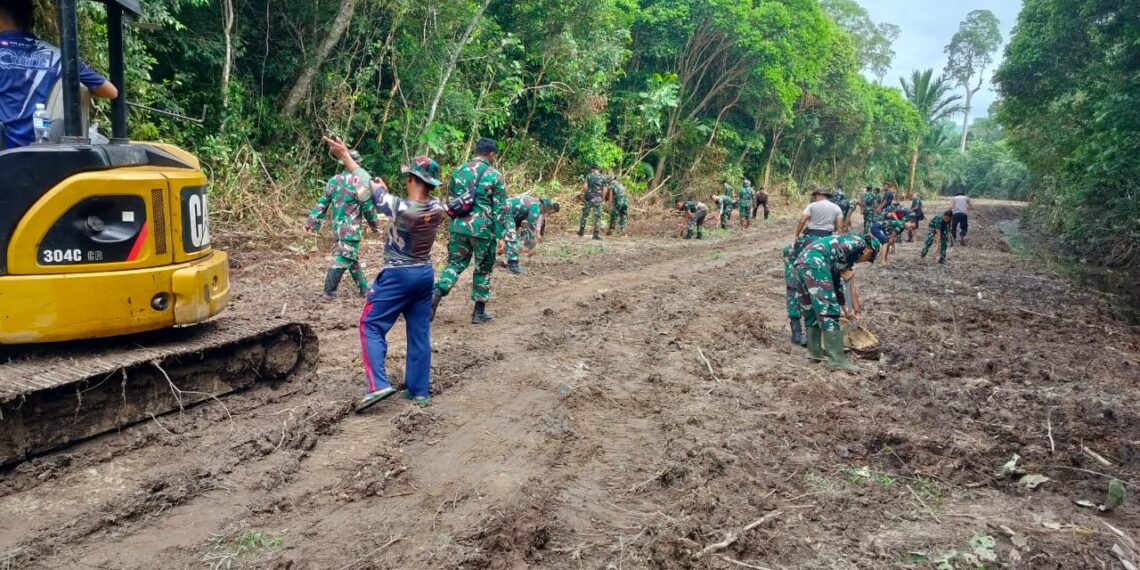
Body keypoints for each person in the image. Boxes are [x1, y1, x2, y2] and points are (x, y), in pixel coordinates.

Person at [320, 137, 446, 410]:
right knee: (419, 332)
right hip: (425, 273)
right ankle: (419, 390)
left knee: (371, 325)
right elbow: (387, 202)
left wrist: (344, 156)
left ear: (412, 179)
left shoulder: (400, 207)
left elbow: (367, 183)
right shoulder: (436, 209)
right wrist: (383, 194)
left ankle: (378, 384)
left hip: (399, 276)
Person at [0, 0, 118, 149]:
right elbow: (111, 92)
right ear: (32, 22)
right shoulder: (60, 56)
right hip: (41, 149)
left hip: (4, 152)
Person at [433, 137, 508, 324]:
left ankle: (437, 292)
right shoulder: (495, 175)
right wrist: (501, 236)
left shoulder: (458, 171)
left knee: (455, 264)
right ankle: (479, 313)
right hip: (483, 229)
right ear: (491, 154)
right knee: (483, 269)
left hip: (459, 226)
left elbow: (451, 199)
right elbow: (500, 209)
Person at [792, 233, 880, 371]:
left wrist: (846, 308)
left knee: (810, 311)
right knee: (830, 313)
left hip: (801, 264)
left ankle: (815, 354)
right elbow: (843, 253)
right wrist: (845, 268)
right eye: (868, 259)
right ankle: (836, 360)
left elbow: (836, 283)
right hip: (817, 265)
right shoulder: (859, 243)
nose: (861, 262)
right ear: (869, 251)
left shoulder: (839, 250)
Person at [304, 149, 381, 302]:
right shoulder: (359, 183)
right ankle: (328, 293)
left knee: (351, 258)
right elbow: (368, 207)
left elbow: (322, 203)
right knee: (343, 259)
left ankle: (364, 288)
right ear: (357, 164)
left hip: (338, 229)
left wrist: (311, 222)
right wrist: (375, 226)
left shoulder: (334, 180)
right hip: (351, 230)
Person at [503, 195, 558, 274]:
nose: (544, 213)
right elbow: (530, 229)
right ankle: (512, 264)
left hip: (509, 210)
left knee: (509, 235)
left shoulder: (535, 203)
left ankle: (507, 258)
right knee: (511, 236)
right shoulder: (536, 209)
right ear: (544, 207)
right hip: (506, 210)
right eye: (545, 211)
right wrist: (531, 247)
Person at [578, 165, 606, 240]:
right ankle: (595, 234)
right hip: (597, 197)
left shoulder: (588, 176)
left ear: (592, 169)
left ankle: (581, 231)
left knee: (585, 214)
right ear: (598, 169)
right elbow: (605, 188)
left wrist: (584, 195)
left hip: (589, 197)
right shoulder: (603, 177)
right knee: (597, 217)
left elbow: (585, 187)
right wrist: (602, 198)